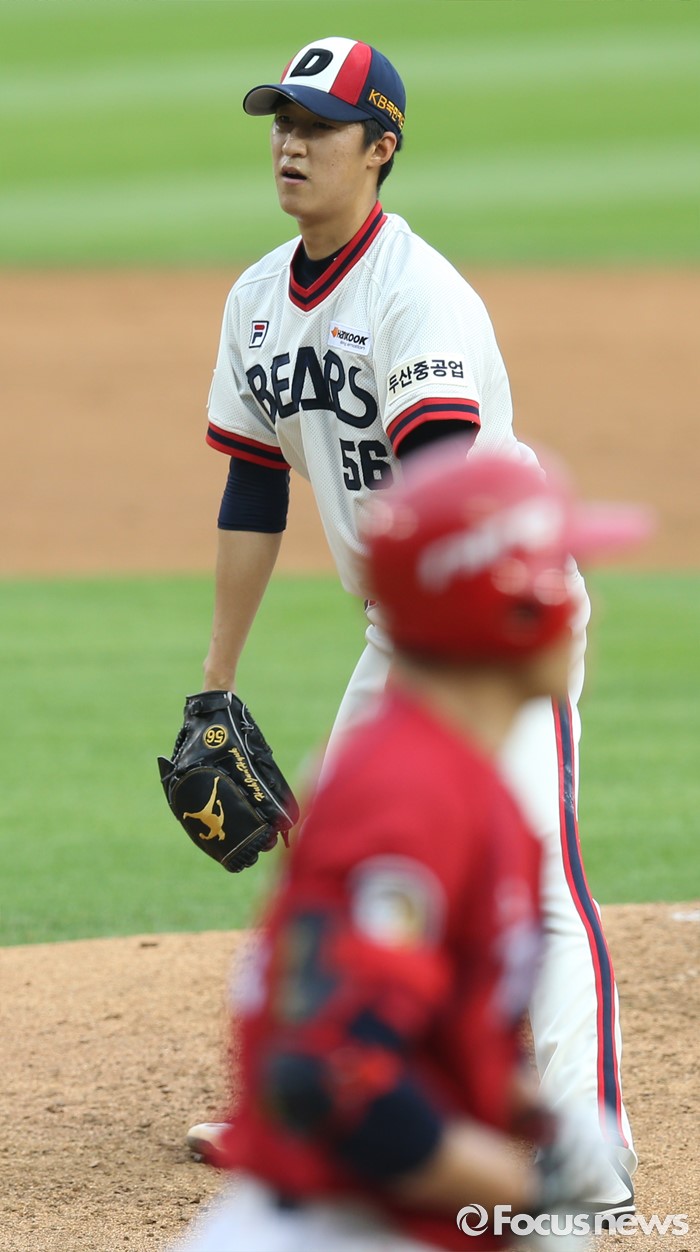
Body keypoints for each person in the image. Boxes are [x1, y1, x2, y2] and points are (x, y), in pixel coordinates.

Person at [189, 35, 636, 1210]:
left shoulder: (415, 293)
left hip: (497, 614)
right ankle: (301, 1107)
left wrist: (441, 679)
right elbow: (252, 489)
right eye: (281, 123)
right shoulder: (255, 300)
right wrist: (214, 682)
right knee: (335, 854)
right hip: (406, 624)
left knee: (538, 864)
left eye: (317, 127)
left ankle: (592, 1147)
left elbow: (441, 488)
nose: (289, 145)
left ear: (379, 149)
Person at [170, 447, 649, 1252]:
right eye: (561, 576)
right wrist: (522, 1197)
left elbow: (435, 1028)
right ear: (514, 615)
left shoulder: (469, 784)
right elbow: (326, 1076)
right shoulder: (406, 801)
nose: (579, 601)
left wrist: (538, 1116)